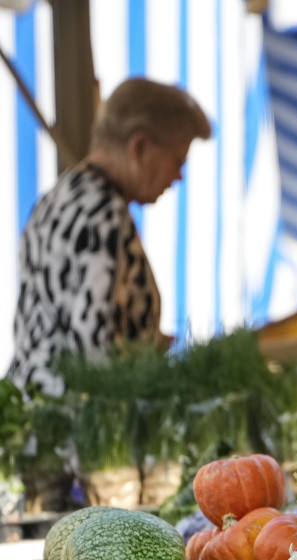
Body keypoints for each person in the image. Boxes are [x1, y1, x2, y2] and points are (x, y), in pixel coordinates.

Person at [8, 78, 211, 396]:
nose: (178, 176)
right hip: (71, 432)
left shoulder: (54, 199)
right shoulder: (106, 217)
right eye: (177, 160)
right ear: (139, 147)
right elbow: (97, 359)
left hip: (28, 415)